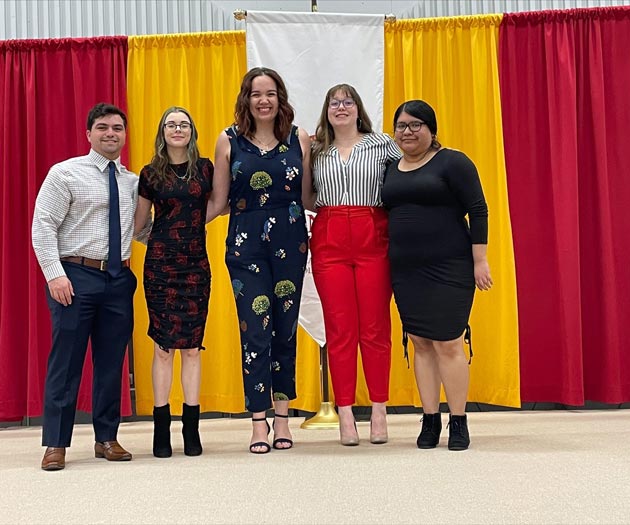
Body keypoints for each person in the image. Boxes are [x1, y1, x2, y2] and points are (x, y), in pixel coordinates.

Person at [207, 67, 311, 454]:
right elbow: (218, 201)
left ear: (280, 97)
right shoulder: (228, 140)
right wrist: (174, 228)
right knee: (254, 333)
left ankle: (283, 418)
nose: (263, 100)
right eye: (255, 94)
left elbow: (308, 198)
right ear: (245, 99)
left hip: (291, 240)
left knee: (284, 330)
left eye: (270, 93)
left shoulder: (298, 137)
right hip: (245, 246)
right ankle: (257, 421)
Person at [32, 103, 139, 471]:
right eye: (103, 127)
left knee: (111, 363)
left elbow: (140, 230)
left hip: (119, 279)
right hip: (75, 277)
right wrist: (53, 273)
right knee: (66, 361)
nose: (111, 133)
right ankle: (56, 444)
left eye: (118, 128)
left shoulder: (133, 182)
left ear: (125, 135)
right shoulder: (65, 174)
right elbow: (43, 225)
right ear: (89, 134)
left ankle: (106, 438)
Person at [381, 99, 492, 451]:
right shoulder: (389, 168)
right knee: (420, 343)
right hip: (406, 268)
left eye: (416, 125)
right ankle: (430, 419)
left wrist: (480, 260)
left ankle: (458, 420)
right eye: (401, 126)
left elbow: (478, 209)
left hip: (450, 266)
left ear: (431, 129)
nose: (408, 132)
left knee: (448, 342)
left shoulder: (453, 162)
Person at [307, 84, 401, 446]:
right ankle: (345, 412)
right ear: (326, 109)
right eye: (334, 102)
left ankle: (378, 408)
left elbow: (410, 172)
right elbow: (307, 194)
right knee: (341, 328)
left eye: (348, 101)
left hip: (372, 235)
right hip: (330, 237)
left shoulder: (382, 145)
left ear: (359, 109)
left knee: (375, 327)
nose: (341, 107)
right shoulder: (316, 149)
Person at [134, 106, 214, 458]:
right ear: (162, 131)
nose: (177, 129)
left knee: (193, 348)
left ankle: (192, 430)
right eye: (171, 124)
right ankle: (161, 431)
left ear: (192, 131)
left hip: (196, 266)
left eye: (183, 124)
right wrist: (165, 236)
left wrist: (192, 227)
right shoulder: (150, 173)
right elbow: (138, 226)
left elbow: (219, 205)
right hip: (161, 268)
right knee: (163, 348)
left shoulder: (206, 168)